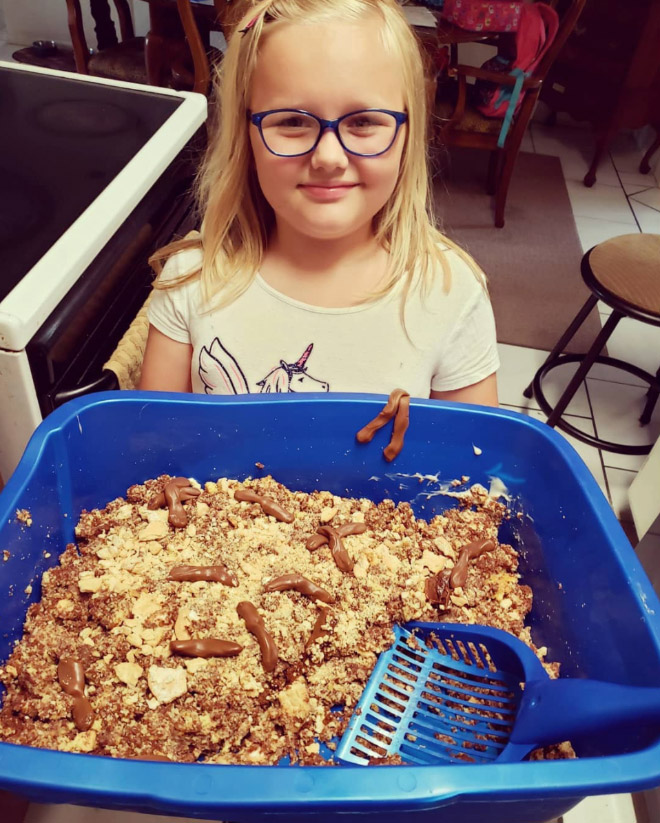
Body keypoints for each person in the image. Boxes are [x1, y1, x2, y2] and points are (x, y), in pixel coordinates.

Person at [139, 0, 499, 405]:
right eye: (292, 121)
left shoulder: (451, 294)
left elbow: (473, 458)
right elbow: (157, 452)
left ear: (407, 134)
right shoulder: (191, 280)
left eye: (363, 121)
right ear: (246, 135)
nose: (329, 158)